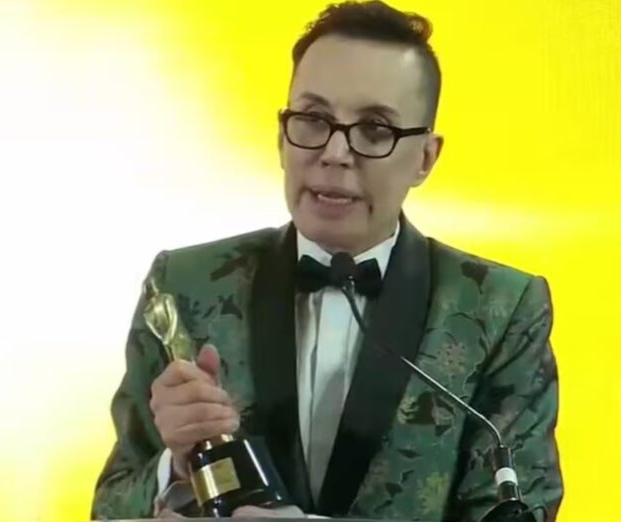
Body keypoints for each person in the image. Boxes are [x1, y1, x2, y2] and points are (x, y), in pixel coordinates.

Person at [91, 1, 563, 520]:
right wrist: (176, 467)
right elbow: (110, 505)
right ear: (281, 137)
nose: (335, 153)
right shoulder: (182, 287)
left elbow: (518, 511)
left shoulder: (502, 308)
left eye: (375, 129)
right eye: (313, 120)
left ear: (426, 158)